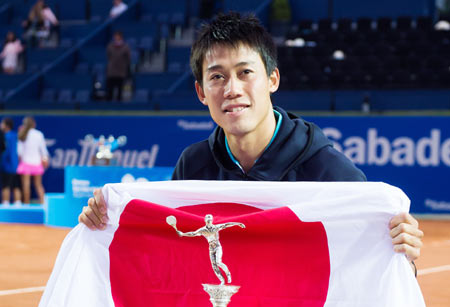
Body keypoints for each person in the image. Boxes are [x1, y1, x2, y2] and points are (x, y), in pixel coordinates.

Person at [79, 12, 423, 264]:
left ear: (272, 79)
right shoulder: (193, 164)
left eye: (245, 72)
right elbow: (171, 254)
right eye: (217, 77)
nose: (232, 89)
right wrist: (108, 222)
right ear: (201, 92)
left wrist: (401, 253)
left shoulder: (327, 169)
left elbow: (373, 267)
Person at [17, 116, 49, 204]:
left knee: (26, 185)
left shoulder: (22, 134)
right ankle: (43, 204)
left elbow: (19, 152)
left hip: (25, 163)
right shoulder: (39, 134)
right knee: (38, 185)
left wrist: (20, 161)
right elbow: (43, 150)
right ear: (33, 124)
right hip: (36, 163)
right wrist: (45, 159)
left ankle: (26, 204)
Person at [0, 117, 21, 205]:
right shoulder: (16, 135)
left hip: (7, 166)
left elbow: (6, 151)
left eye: (2, 123)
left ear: (7, 126)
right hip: (16, 166)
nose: (1, 125)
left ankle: (5, 203)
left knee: (6, 185)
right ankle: (18, 203)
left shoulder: (5, 136)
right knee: (16, 185)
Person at [106, 31, 131, 101]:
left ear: (121, 37)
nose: (116, 38)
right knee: (110, 90)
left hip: (121, 72)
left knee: (120, 91)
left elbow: (128, 59)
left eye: (118, 36)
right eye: (115, 36)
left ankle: (118, 105)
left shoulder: (126, 47)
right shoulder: (110, 46)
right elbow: (108, 56)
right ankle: (108, 106)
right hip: (111, 72)